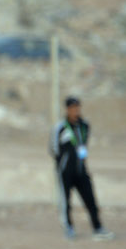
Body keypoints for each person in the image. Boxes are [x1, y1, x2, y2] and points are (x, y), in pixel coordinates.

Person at [50, 96, 114, 241]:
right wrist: (63, 163)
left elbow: (83, 145)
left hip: (81, 170)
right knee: (65, 201)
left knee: (90, 199)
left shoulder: (85, 125)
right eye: (72, 108)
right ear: (67, 109)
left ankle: (97, 228)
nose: (75, 110)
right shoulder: (60, 127)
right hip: (65, 172)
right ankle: (68, 228)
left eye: (77, 107)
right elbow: (53, 149)